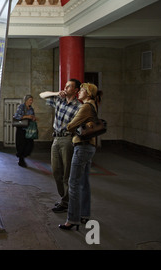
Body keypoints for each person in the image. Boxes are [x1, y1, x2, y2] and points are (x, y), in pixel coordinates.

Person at [59, 83, 102, 230]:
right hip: (89, 146)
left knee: (73, 183)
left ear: (88, 93)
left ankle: (72, 219)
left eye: (82, 90)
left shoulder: (85, 107)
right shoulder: (93, 105)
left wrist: (68, 127)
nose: (80, 92)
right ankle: (84, 214)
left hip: (82, 147)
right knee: (84, 182)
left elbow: (71, 125)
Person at [39, 79, 81, 213]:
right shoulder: (59, 100)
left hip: (67, 139)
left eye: (69, 86)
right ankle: (65, 198)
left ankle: (66, 202)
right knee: (56, 171)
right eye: (66, 86)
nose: (66, 88)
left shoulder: (78, 107)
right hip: (56, 139)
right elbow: (42, 95)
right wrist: (58, 93)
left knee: (67, 172)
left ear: (75, 90)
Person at [13, 94, 36, 167]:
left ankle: (23, 156)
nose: (31, 102)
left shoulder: (31, 109)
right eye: (30, 100)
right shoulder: (21, 107)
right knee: (21, 145)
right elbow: (16, 116)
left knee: (29, 145)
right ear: (26, 100)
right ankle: (21, 159)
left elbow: (32, 116)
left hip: (28, 129)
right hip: (21, 128)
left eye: (32, 100)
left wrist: (33, 118)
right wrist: (27, 116)